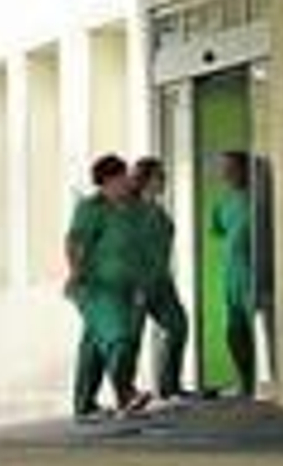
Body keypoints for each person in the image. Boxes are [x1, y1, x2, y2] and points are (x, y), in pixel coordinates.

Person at [65, 154, 152, 421]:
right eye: (122, 177)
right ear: (107, 181)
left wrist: (139, 286)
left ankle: (85, 405)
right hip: (96, 288)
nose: (127, 181)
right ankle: (126, 394)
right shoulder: (91, 208)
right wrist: (76, 272)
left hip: (123, 289)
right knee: (119, 338)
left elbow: (134, 251)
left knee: (94, 346)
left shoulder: (129, 209)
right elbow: (75, 242)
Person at [130, 157, 191, 401]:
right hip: (137, 283)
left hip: (162, 282)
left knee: (179, 326)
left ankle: (170, 385)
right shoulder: (130, 211)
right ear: (145, 179)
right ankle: (126, 392)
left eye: (164, 175)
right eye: (159, 176)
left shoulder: (157, 209)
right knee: (131, 339)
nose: (164, 179)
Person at [210, 150, 259, 397]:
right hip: (231, 275)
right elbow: (219, 231)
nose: (226, 173)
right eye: (223, 168)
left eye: (231, 168)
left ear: (245, 170)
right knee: (234, 333)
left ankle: (260, 383)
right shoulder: (223, 203)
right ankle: (245, 381)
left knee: (257, 330)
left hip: (254, 273)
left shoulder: (258, 200)